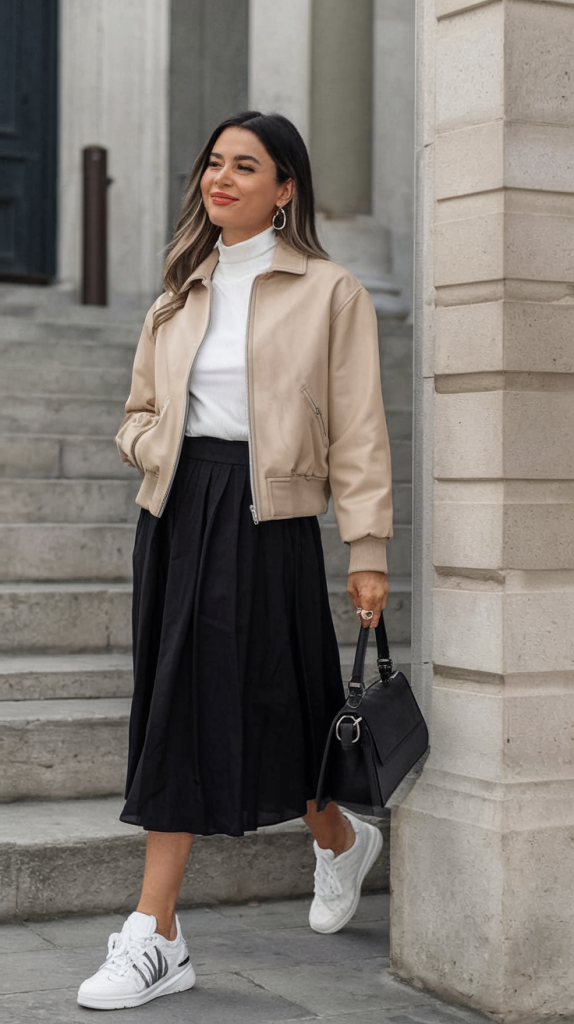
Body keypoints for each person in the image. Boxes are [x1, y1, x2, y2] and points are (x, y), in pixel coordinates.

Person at [77, 111, 392, 1011]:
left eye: (245, 166)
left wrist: (365, 549)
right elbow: (135, 411)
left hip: (272, 520)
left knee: (281, 706)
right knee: (175, 701)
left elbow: (362, 431)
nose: (221, 178)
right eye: (214, 163)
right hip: (178, 514)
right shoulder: (182, 288)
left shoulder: (332, 292)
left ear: (284, 188)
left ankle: (336, 837)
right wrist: (154, 449)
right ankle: (156, 933)